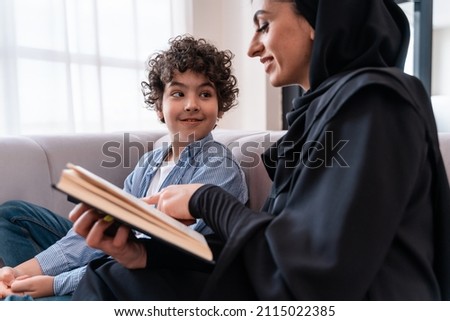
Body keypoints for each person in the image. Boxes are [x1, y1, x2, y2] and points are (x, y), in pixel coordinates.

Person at [70, 0, 450, 300]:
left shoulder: (375, 103)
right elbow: (271, 245)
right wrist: (145, 253)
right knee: (113, 275)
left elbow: (312, 271)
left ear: (320, 19)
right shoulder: (324, 112)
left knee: (112, 287)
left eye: (264, 25)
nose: (252, 48)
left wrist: (206, 200)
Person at [0, 34, 248, 300]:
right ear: (159, 107)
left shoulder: (219, 169)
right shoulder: (150, 163)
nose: (191, 104)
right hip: (112, 258)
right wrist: (19, 271)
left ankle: (42, 297)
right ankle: (20, 287)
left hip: (147, 278)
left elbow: (156, 257)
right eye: (178, 93)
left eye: (205, 94)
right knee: (14, 215)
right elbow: (104, 232)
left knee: (93, 278)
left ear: (219, 107)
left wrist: (56, 283)